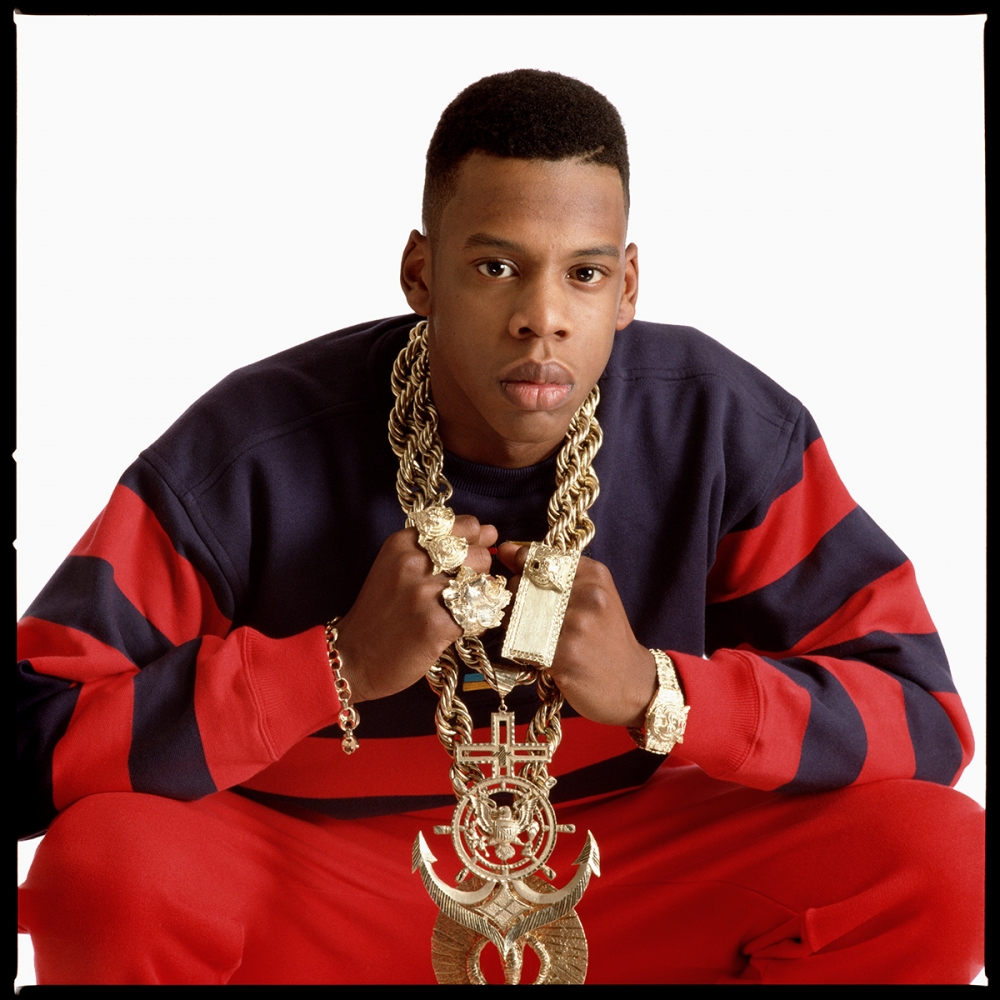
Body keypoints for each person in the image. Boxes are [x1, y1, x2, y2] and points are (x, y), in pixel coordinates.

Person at [17, 69, 983, 985]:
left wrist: (660, 692)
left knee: (943, 859)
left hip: (631, 879)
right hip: (318, 896)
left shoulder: (718, 424)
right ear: (421, 273)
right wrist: (331, 666)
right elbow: (31, 739)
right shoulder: (249, 449)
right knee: (109, 867)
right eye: (495, 266)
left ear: (629, 285)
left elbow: (923, 718)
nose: (542, 317)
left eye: (585, 273)